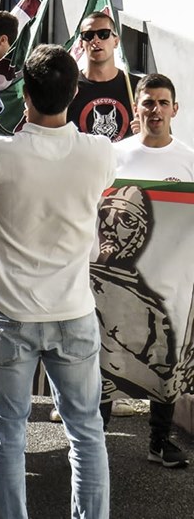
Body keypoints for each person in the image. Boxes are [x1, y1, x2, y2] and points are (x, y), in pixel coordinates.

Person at [0, 44, 114, 518]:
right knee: (86, 434)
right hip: (73, 312)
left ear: (24, 95)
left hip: (10, 316)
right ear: (75, 92)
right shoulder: (99, 152)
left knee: (8, 434)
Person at [100, 73, 194, 467]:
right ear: (135, 109)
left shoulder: (189, 160)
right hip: (111, 279)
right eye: (148, 103)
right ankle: (94, 441)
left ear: (175, 109)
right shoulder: (113, 156)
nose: (155, 110)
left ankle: (159, 440)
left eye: (162, 103)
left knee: (165, 359)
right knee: (101, 357)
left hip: (171, 283)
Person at [67, 12, 139, 142]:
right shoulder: (68, 87)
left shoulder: (137, 87)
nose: (96, 40)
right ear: (82, 44)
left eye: (103, 34)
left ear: (116, 41)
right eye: (88, 36)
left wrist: (147, 132)